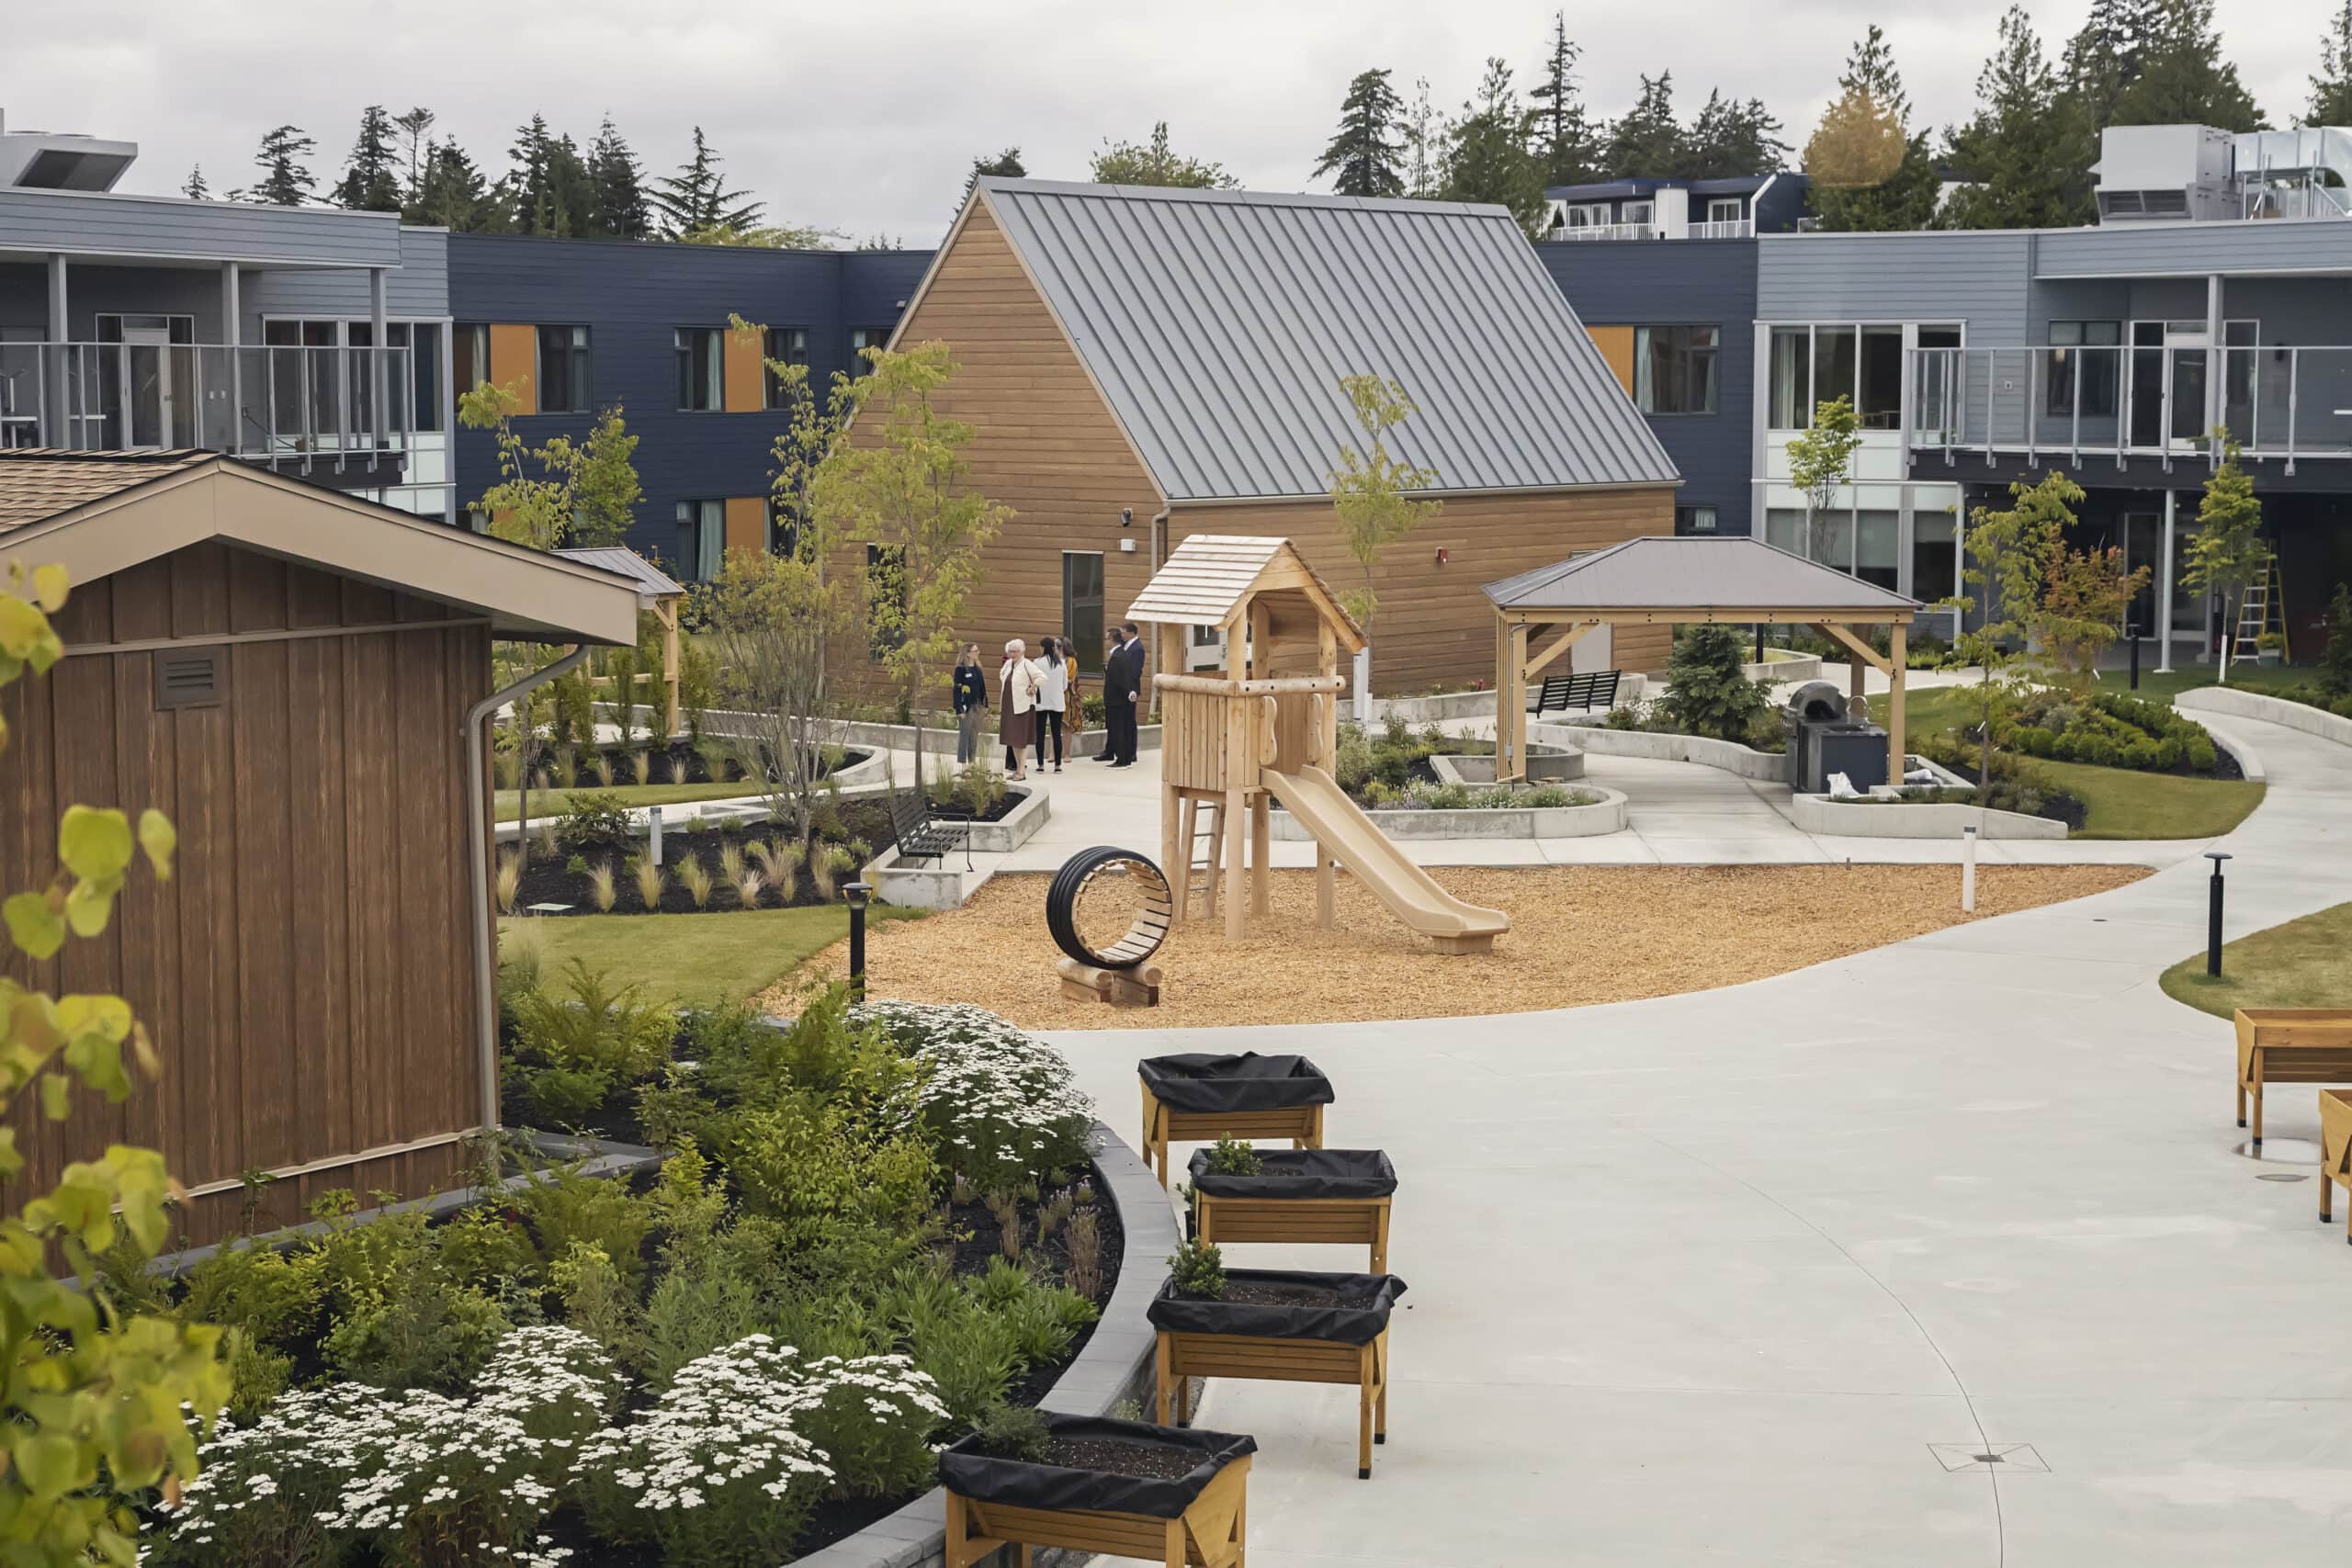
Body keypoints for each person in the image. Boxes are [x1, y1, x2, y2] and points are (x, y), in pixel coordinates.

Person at [1100, 621, 1145, 767]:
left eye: (1124, 632)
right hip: (1124, 692)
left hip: (1124, 694)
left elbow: (1133, 672)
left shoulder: (1135, 649)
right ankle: (1113, 751)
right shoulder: (1123, 650)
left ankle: (1127, 755)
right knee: (1119, 726)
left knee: (1125, 725)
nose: (1123, 635)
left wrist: (1130, 691)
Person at [999, 638, 1038, 780]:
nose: (1012, 654)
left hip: (1022, 707)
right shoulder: (1008, 664)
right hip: (1009, 706)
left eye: (1015, 651)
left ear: (1021, 651)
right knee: (1013, 739)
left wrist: (1033, 686)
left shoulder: (1027, 664)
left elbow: (1042, 677)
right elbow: (1002, 674)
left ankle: (1021, 771)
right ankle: (1017, 770)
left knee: (1020, 740)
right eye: (1010, 651)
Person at [1033, 632, 1068, 773]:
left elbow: (1034, 682)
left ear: (1042, 648)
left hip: (1041, 702)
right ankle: (1058, 765)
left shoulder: (1036, 663)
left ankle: (1040, 765)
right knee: (1056, 733)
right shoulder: (1061, 663)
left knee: (1040, 734)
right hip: (1057, 702)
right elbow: (1065, 685)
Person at [951, 644, 988, 765]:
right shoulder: (960, 669)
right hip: (966, 707)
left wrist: (985, 705)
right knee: (964, 735)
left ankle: (972, 763)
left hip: (978, 706)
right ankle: (963, 765)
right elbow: (956, 690)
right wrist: (959, 709)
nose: (978, 652)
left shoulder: (977, 669)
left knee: (974, 736)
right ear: (967, 653)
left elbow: (982, 688)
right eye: (975, 651)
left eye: (978, 650)